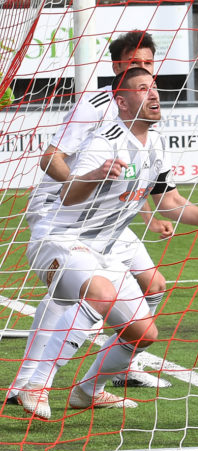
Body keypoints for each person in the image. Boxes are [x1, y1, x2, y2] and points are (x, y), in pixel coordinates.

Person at [15, 68, 198, 419]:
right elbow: (67, 192)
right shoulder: (103, 141)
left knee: (143, 333)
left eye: (154, 88)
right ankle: (36, 384)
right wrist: (92, 176)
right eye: (143, 89)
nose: (154, 95)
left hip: (103, 249)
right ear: (121, 102)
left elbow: (170, 202)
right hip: (60, 240)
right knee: (101, 294)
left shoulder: (155, 146)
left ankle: (88, 391)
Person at [8, 31, 175, 405]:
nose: (145, 72)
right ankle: (31, 383)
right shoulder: (95, 104)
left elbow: (133, 177)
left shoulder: (147, 123)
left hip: (108, 220)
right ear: (118, 68)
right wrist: (82, 188)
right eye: (137, 64)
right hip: (67, 214)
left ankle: (114, 369)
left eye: (150, 65)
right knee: (81, 290)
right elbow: (50, 158)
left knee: (153, 286)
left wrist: (145, 213)